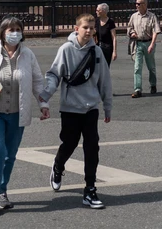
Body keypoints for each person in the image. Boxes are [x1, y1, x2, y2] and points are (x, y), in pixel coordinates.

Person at [0, 17, 48, 217]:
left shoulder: (28, 55)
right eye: (11, 29)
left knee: (10, 155)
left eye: (18, 29)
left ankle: (2, 190)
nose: (15, 33)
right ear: (2, 32)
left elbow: (37, 81)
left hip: (17, 113)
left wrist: (43, 104)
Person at [40, 14, 113, 210]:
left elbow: (104, 80)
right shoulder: (66, 49)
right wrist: (45, 96)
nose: (88, 31)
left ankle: (90, 189)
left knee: (92, 147)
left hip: (90, 107)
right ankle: (58, 166)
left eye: (92, 28)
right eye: (85, 27)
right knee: (69, 143)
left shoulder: (97, 52)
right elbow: (54, 74)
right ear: (76, 29)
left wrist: (107, 106)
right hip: (70, 107)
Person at [127, 0, 161, 98]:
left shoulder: (152, 16)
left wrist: (152, 44)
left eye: (138, 4)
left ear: (145, 5)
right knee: (137, 67)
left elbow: (155, 31)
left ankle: (153, 84)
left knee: (151, 66)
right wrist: (132, 33)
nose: (136, 5)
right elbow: (129, 27)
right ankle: (137, 89)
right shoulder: (134, 16)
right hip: (138, 44)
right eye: (136, 3)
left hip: (148, 43)